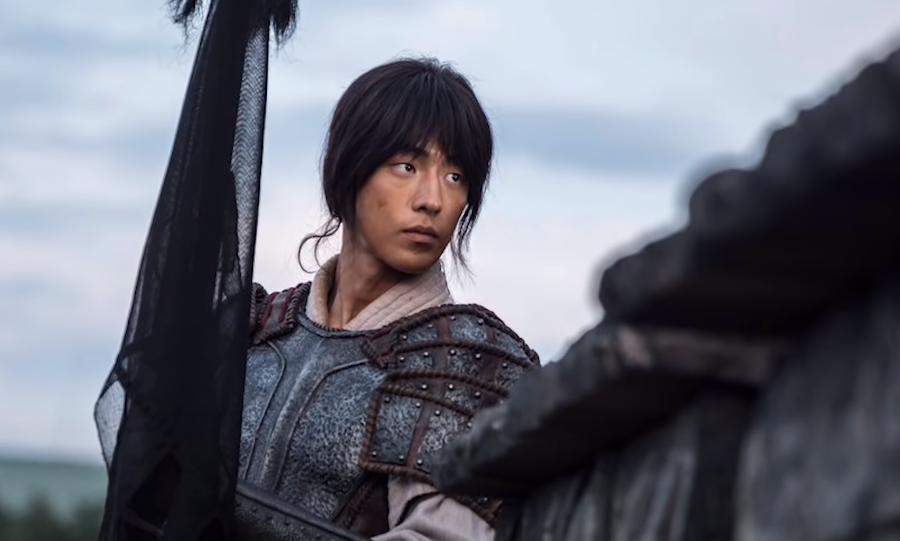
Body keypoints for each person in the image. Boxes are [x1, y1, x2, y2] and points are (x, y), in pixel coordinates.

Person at [234, 57, 540, 541]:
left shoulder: (466, 364)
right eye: (406, 166)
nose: (432, 200)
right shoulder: (257, 328)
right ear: (349, 171)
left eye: (455, 176)